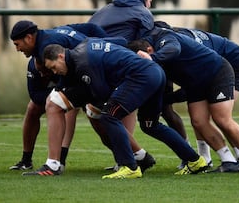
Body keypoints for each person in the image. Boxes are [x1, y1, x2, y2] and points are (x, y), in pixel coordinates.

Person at [41, 39, 207, 179]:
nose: (55, 72)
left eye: (54, 67)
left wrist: (83, 101)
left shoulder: (84, 63)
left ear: (61, 56)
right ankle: (195, 160)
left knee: (108, 116)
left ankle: (130, 167)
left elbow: (101, 92)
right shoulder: (83, 48)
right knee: (151, 125)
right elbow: (119, 43)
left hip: (141, 76)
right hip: (155, 72)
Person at [10, 20, 155, 176]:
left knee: (56, 105)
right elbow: (90, 28)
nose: (17, 49)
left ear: (29, 38)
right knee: (94, 113)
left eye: (17, 44)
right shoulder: (50, 38)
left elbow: (85, 47)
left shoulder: (47, 47)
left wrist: (101, 46)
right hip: (92, 77)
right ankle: (140, 156)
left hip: (96, 77)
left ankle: (54, 164)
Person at [128, 27, 239, 173]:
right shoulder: (153, 54)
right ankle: (228, 160)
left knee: (221, 118)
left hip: (216, 72)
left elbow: (174, 48)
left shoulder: (166, 38)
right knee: (198, 121)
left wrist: (153, 59)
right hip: (195, 82)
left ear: (149, 49)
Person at [88, 0, 189, 168]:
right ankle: (187, 156)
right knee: (163, 109)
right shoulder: (142, 11)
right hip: (130, 66)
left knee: (98, 111)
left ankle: (57, 162)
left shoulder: (102, 10)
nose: (150, 5)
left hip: (95, 65)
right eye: (150, 0)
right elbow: (146, 43)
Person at [158, 21, 239, 167]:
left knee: (221, 117)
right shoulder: (175, 41)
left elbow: (194, 82)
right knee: (199, 119)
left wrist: (168, 99)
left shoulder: (183, 47)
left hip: (234, 65)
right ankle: (206, 157)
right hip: (206, 73)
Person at [9, 57, 79, 171]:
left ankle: (60, 159)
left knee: (75, 109)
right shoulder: (33, 66)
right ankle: (26, 160)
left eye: (45, 70)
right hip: (60, 89)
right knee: (32, 108)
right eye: (40, 71)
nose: (42, 75)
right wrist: (54, 95)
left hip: (84, 87)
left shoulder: (64, 64)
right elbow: (35, 96)